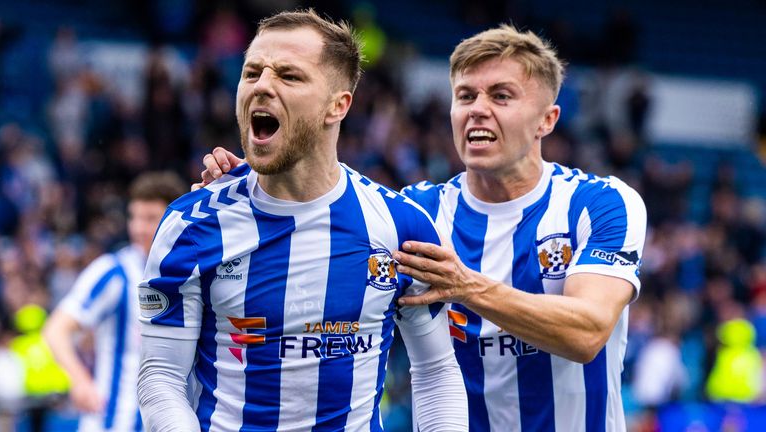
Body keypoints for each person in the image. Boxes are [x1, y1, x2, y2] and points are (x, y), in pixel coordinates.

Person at [200, 23, 647, 432]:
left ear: (546, 120)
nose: (478, 110)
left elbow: (587, 332)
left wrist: (466, 286)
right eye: (466, 96)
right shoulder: (417, 212)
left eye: (501, 96)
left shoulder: (601, 204)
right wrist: (266, 182)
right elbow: (320, 222)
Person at [137, 10, 467, 432]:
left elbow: (437, 372)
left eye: (289, 76)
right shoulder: (191, 226)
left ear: (338, 105)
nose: (262, 86)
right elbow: (161, 378)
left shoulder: (400, 226)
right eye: (252, 71)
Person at [43, 171, 185, 432]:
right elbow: (56, 329)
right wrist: (80, 381)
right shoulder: (113, 271)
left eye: (150, 218)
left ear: (174, 221)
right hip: (113, 423)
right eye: (134, 217)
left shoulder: (192, 276)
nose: (138, 228)